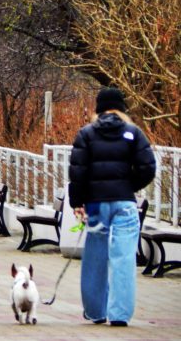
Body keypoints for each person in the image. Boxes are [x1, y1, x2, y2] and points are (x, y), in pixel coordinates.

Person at [68, 87, 156, 327]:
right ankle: (119, 315)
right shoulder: (133, 133)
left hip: (96, 205)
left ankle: (96, 312)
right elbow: (148, 167)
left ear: (98, 109)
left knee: (95, 257)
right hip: (125, 204)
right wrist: (129, 187)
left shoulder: (86, 134)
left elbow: (77, 173)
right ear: (122, 108)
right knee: (124, 259)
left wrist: (78, 202)